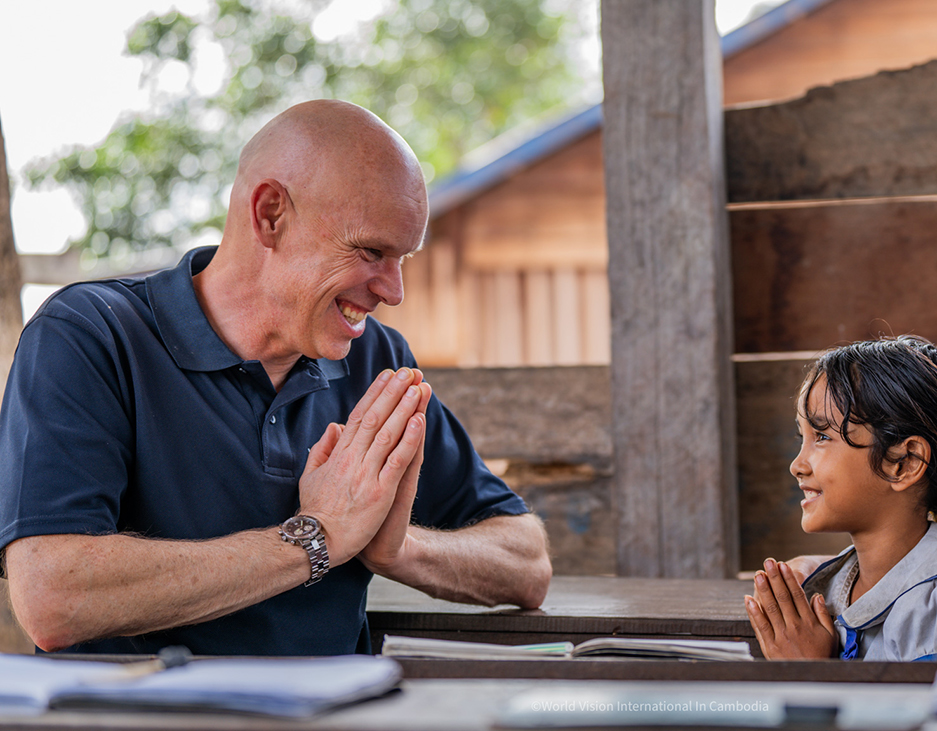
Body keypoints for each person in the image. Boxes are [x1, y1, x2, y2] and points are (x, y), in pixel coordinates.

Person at [0, 100, 551, 656]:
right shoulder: (90, 335)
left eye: (402, 258)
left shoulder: (376, 361)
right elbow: (53, 595)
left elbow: (526, 562)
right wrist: (318, 537)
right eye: (371, 251)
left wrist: (398, 548)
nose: (393, 291)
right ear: (270, 215)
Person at [745, 337, 937, 661]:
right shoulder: (836, 583)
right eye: (801, 437)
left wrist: (811, 671)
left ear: (904, 463)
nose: (797, 465)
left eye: (821, 436)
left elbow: (929, 711)